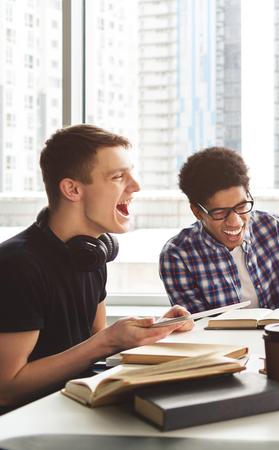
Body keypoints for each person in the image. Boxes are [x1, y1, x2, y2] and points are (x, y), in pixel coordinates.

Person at [0, 125, 192, 412]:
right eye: (118, 177)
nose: (135, 186)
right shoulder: (17, 265)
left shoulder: (90, 254)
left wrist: (153, 331)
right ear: (72, 189)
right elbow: (7, 389)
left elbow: (94, 344)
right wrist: (107, 341)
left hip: (77, 408)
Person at [160, 147, 279, 313]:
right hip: (220, 339)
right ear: (197, 212)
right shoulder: (177, 255)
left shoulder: (275, 228)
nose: (235, 221)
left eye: (241, 206)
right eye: (220, 212)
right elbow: (197, 325)